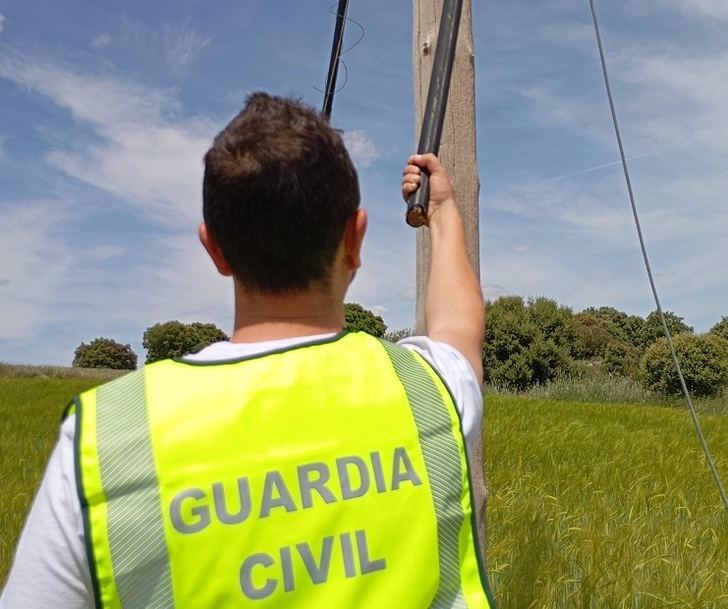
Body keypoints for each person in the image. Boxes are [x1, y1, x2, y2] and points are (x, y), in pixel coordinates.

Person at [1, 93, 495, 608]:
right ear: (355, 239)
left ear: (214, 248)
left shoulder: (104, 441)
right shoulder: (427, 390)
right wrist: (440, 211)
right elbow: (457, 326)